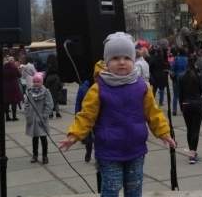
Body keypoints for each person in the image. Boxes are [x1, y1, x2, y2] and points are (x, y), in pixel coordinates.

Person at [59, 32, 176, 197]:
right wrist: (74, 135)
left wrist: (163, 132)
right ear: (107, 62)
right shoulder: (98, 88)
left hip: (136, 149)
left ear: (133, 60)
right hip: (109, 151)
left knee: (134, 188)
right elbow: (86, 116)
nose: (122, 62)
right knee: (111, 188)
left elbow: (153, 113)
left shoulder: (142, 86)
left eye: (127, 58)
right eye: (115, 58)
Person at [75, 60, 104, 163]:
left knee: (97, 137)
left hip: (99, 117)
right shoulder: (84, 88)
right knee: (88, 138)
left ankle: (97, 154)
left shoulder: (104, 88)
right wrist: (77, 114)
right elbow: (78, 102)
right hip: (87, 115)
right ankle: (88, 152)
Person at [179, 61, 202, 164]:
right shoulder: (198, 77)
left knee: (189, 129)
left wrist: (181, 105)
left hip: (186, 104)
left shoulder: (181, 77)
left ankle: (191, 151)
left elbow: (180, 94)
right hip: (197, 104)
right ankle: (193, 153)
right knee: (195, 129)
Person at [24, 72, 54, 165]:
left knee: (43, 138)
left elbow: (49, 104)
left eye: (38, 81)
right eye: (35, 81)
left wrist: (44, 115)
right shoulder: (29, 92)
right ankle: (35, 155)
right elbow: (26, 104)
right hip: (32, 118)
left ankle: (45, 156)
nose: (36, 83)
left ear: (42, 82)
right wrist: (28, 114)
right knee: (35, 138)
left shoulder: (46, 92)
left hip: (42, 119)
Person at [44, 54, 62, 119]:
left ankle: (51, 113)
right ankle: (57, 113)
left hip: (49, 79)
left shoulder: (48, 65)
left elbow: (46, 74)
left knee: (49, 97)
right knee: (56, 97)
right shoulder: (57, 65)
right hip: (56, 79)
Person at [171, 48, 188, 115]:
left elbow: (172, 69)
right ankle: (184, 109)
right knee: (185, 95)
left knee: (175, 95)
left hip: (177, 78)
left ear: (178, 53)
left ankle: (174, 110)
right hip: (186, 79)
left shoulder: (176, 59)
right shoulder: (187, 59)